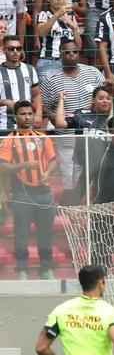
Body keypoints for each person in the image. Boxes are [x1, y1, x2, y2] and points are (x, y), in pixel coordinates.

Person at [0, 100, 58, 279]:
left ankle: (46, 268)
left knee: (45, 232)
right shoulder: (10, 139)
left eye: (29, 114)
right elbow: (3, 167)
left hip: (44, 191)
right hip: (21, 191)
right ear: (15, 116)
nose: (27, 117)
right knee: (21, 233)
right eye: (22, 114)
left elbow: (53, 160)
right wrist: (23, 165)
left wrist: (48, 172)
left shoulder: (42, 137)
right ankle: (22, 269)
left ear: (34, 116)